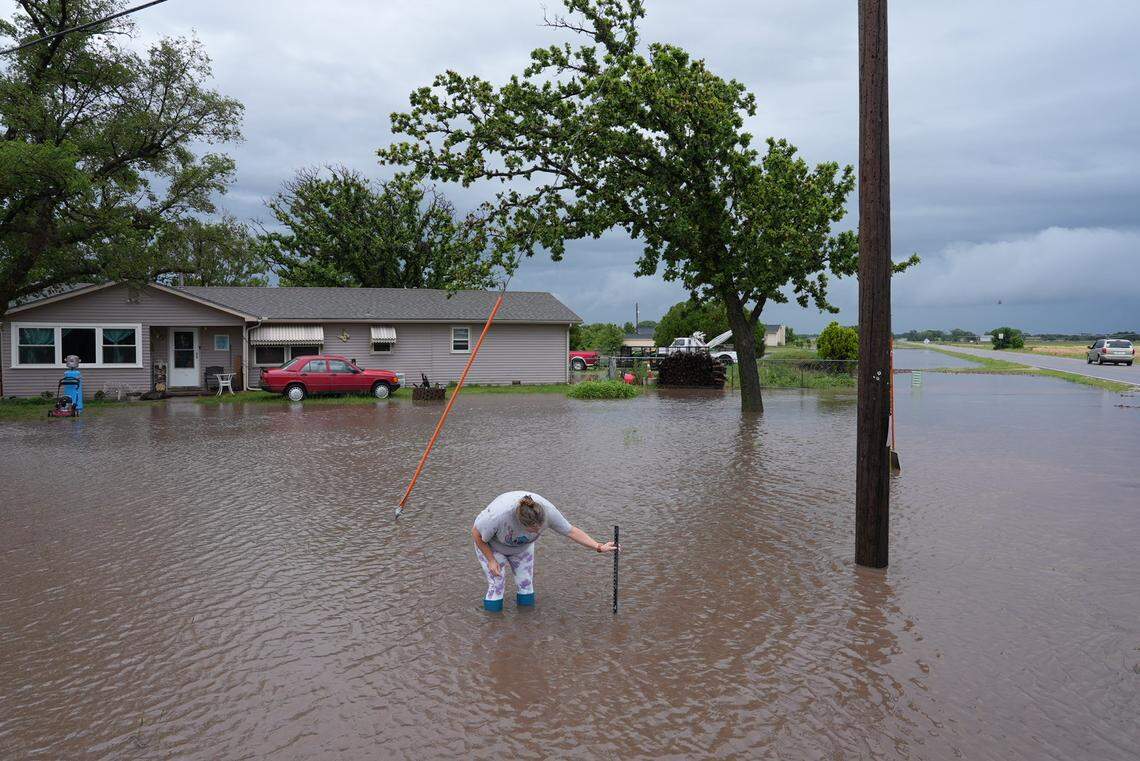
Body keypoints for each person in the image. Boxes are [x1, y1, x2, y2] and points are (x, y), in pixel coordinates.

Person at [472, 491, 618, 611]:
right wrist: (491, 560)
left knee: (526, 584)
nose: (537, 531)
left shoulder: (548, 512)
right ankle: (494, 628)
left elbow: (571, 531)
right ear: (520, 523)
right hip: (492, 547)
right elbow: (476, 534)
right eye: (533, 529)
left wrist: (598, 547)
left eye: (540, 527)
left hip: (522, 548)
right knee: (497, 584)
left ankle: (526, 626)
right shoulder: (497, 515)